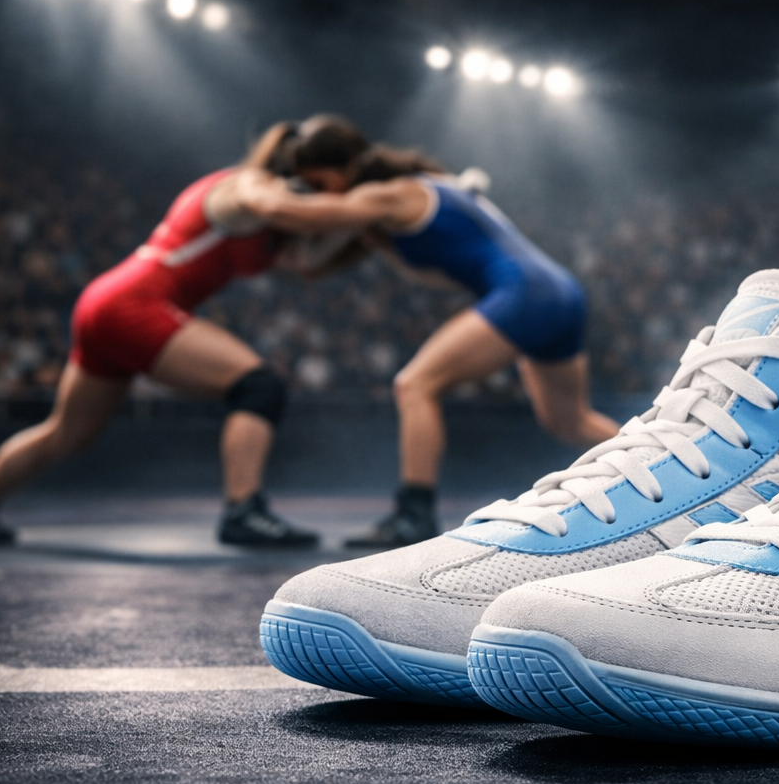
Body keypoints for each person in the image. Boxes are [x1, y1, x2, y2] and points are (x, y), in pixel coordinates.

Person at [0, 116, 369, 547]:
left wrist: (359, 221)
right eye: (344, 181)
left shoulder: (272, 219)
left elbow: (307, 263)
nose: (347, 192)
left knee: (68, 432)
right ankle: (243, 511)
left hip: (110, 303)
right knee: (259, 386)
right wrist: (361, 207)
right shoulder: (246, 184)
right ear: (309, 174)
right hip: (135, 304)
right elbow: (275, 206)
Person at [238, 143, 620, 547]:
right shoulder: (426, 190)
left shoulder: (388, 194)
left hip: (525, 292)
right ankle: (661, 470)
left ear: (347, 168)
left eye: (318, 182)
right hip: (559, 292)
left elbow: (289, 214)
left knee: (415, 384)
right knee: (569, 421)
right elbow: (311, 263)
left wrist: (251, 185)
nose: (316, 191)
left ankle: (413, 514)